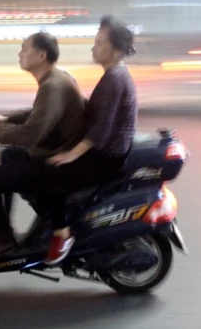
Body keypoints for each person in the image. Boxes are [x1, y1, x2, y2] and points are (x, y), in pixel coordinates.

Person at [0, 32, 87, 260]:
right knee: (8, 155)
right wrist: (5, 119)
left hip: (53, 163)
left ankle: (2, 238)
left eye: (24, 49)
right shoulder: (56, 78)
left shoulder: (52, 86)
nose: (20, 53)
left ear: (41, 55)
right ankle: (8, 226)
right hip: (54, 153)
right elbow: (39, 114)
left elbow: (32, 133)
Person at [43, 15, 138, 264]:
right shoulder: (114, 75)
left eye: (99, 42)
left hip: (106, 157)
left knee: (49, 173)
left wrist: (70, 155)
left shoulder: (115, 79)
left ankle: (62, 234)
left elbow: (101, 131)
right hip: (105, 152)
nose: (93, 47)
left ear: (116, 50)